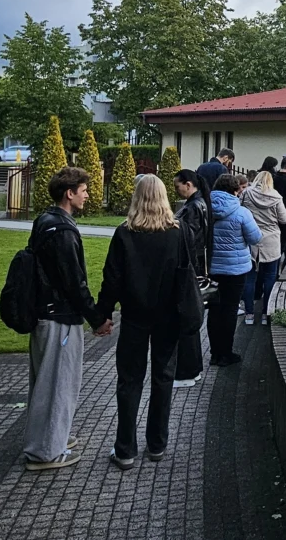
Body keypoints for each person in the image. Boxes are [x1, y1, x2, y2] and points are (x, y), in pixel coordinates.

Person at [23, 167, 113, 471]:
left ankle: (51, 438)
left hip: (45, 313)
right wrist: (97, 318)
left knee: (44, 382)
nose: (87, 195)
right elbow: (74, 283)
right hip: (58, 316)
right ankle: (46, 452)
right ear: (69, 193)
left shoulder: (46, 221)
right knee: (57, 383)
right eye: (83, 190)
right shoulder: (62, 230)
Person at [97, 175, 185, 470]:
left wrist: (103, 314)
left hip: (134, 315)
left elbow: (112, 278)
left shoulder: (125, 233)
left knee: (129, 380)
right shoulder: (177, 233)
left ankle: (125, 449)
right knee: (163, 378)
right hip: (168, 316)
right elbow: (186, 274)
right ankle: (157, 444)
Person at [207, 174, 261, 366]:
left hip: (212, 267)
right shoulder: (241, 212)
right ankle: (226, 353)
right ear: (236, 190)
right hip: (235, 269)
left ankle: (214, 353)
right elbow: (255, 238)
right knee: (229, 310)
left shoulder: (205, 209)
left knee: (214, 310)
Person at [172, 169, 211, 389]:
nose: (176, 191)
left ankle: (187, 371)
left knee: (186, 320)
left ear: (188, 185)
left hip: (188, 268)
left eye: (177, 186)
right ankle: (192, 369)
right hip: (194, 267)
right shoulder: (199, 204)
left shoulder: (193, 207)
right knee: (190, 319)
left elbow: (190, 240)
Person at [240, 171, 286, 325]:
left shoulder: (246, 194)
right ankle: (266, 314)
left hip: (251, 238)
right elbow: (284, 219)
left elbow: (239, 211)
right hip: (271, 240)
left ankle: (249, 314)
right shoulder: (276, 197)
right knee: (270, 277)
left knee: (250, 278)